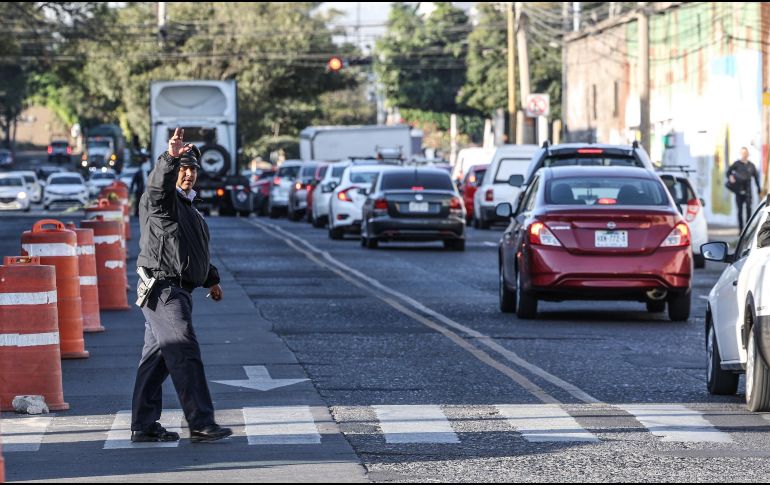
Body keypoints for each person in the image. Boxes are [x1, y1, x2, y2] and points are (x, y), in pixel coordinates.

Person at [131, 127, 232, 443]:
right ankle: (201, 422)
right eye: (183, 168)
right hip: (163, 289)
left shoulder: (189, 207)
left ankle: (144, 425)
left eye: (192, 169)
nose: (188, 174)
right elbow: (159, 187)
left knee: (157, 359)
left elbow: (189, 251)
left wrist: (211, 279)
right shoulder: (161, 201)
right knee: (184, 350)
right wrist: (169, 158)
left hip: (177, 289)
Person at [727, 147, 761, 231]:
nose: (744, 155)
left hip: (748, 191)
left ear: (748, 154)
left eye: (745, 153)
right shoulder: (736, 164)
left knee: (749, 209)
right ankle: (741, 230)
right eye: (742, 153)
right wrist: (730, 177)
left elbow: (756, 178)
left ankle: (747, 229)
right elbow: (728, 172)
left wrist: (759, 189)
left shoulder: (751, 165)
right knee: (740, 211)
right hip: (738, 191)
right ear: (740, 154)